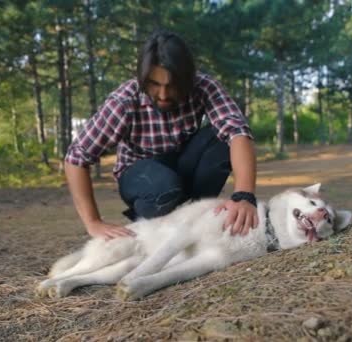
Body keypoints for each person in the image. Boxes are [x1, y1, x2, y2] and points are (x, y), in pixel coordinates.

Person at [64, 29, 258, 240]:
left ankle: (195, 216)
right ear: (143, 77)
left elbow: (237, 132)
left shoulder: (203, 87)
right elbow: (76, 158)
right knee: (164, 186)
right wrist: (93, 223)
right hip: (141, 175)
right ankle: (151, 222)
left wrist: (244, 195)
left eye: (172, 86)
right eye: (155, 85)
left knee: (220, 142)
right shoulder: (124, 101)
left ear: (187, 79)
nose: (163, 95)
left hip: (182, 164)